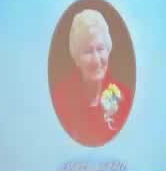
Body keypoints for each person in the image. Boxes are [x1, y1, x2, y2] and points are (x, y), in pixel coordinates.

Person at [50, 8, 133, 147]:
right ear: (76, 58)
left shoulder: (125, 99)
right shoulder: (60, 99)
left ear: (108, 51)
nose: (96, 60)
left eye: (100, 49)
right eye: (88, 51)